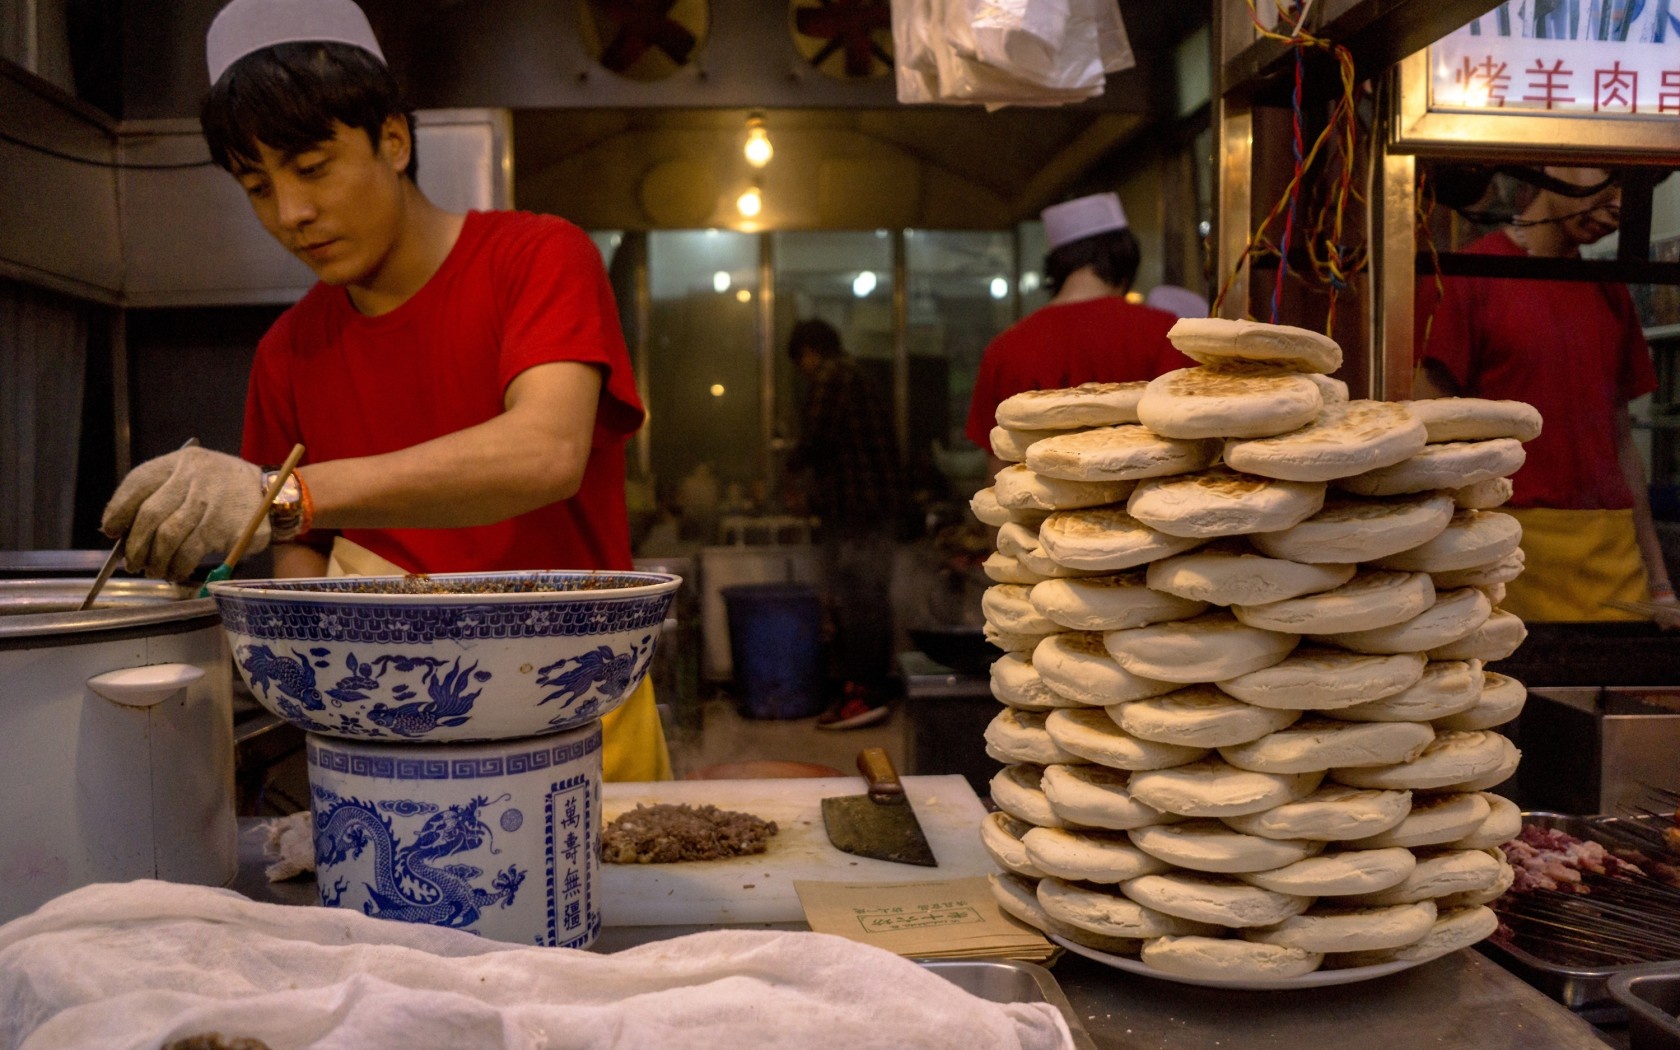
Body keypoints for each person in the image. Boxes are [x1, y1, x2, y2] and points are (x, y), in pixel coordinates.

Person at [98, 0, 672, 780]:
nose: (292, 213)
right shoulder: (287, 353)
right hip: (388, 743)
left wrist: (286, 493)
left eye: (311, 167)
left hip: (573, 716)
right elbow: (302, 588)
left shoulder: (538, 257)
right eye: (257, 186)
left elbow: (546, 451)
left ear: (393, 141)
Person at [1415, 165, 1680, 628]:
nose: (1619, 204)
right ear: (1550, 164)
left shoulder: (1610, 293)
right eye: (1608, 179)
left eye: (1631, 189)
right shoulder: (1468, 277)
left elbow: (1622, 444)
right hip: (1507, 557)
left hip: (1611, 565)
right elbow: (1424, 434)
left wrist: (1659, 582)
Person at [964, 191, 1195, 475]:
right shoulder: (1166, 333)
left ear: (1057, 266)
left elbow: (997, 467)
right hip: (1139, 514)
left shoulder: (1004, 348)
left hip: (1034, 516)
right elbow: (1189, 440)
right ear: (1125, 259)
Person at [784, 318, 906, 729]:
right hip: (876, 506)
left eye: (801, 363)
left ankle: (861, 696)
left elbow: (817, 439)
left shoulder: (832, 376)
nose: (804, 372)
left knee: (857, 601)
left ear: (809, 353)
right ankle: (877, 690)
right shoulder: (858, 375)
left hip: (857, 509)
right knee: (871, 596)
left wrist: (788, 469)